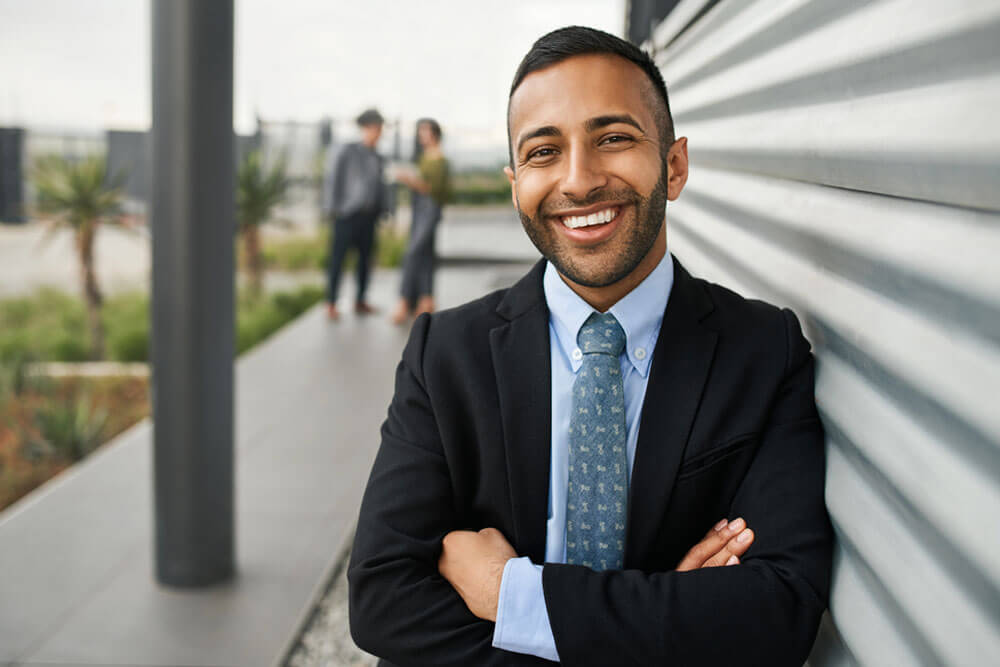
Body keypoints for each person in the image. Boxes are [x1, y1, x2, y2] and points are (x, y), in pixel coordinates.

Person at [349, 26, 832, 667]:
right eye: (544, 152)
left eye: (613, 139)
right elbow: (383, 600)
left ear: (675, 165)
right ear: (514, 181)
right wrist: (661, 624)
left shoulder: (763, 350)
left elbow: (778, 611)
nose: (578, 181)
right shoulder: (446, 354)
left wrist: (513, 596)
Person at [322, 108, 386, 321]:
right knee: (338, 259)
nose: (379, 133)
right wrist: (333, 209)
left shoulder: (378, 156)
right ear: (366, 128)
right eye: (377, 128)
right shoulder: (347, 151)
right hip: (346, 215)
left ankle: (360, 300)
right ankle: (331, 303)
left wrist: (383, 210)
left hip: (369, 216)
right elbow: (333, 180)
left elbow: (381, 186)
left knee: (366, 260)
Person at [391, 118, 451, 325]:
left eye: (425, 132)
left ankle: (404, 300)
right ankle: (426, 299)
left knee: (413, 253)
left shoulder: (439, 158)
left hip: (429, 211)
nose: (421, 136)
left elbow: (432, 189)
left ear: (434, 133)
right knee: (424, 255)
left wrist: (408, 179)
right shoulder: (426, 156)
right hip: (419, 211)